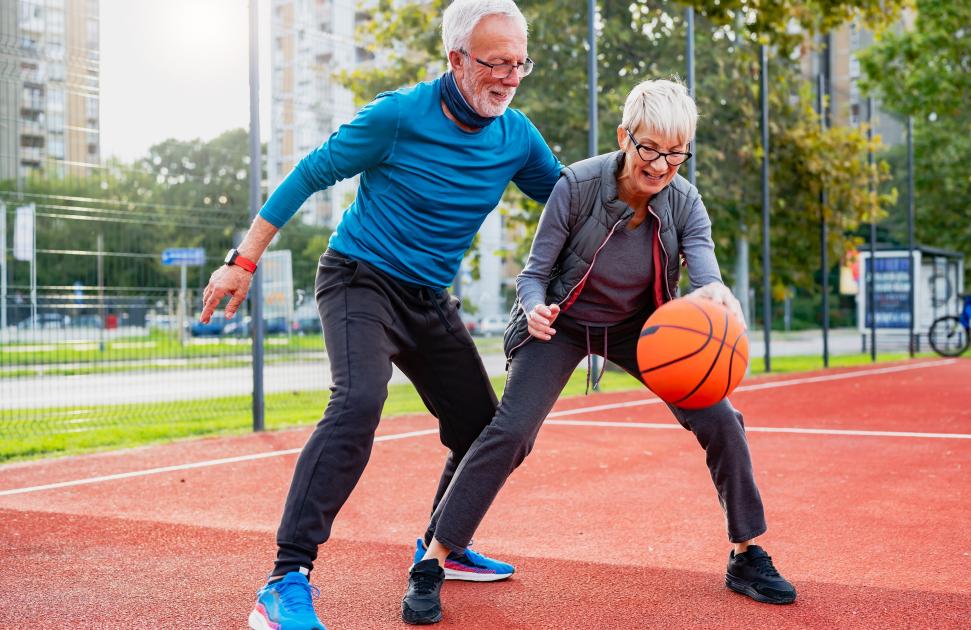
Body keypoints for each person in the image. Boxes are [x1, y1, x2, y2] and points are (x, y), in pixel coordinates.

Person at [198, 2, 562, 628]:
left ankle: (440, 544)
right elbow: (310, 172)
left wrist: (640, 195)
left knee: (487, 432)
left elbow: (567, 199)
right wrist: (243, 260)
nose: (508, 77)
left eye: (518, 64)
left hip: (427, 298)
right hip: (358, 279)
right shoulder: (397, 116)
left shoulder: (517, 136)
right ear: (456, 60)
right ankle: (284, 580)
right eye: (495, 63)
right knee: (359, 402)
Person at [402, 79, 797, 624]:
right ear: (624, 136)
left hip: (644, 329)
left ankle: (746, 553)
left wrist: (718, 300)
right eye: (650, 148)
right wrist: (537, 307)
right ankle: (433, 561)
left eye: (676, 153)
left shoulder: (685, 202)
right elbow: (534, 274)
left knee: (723, 418)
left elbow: (705, 275)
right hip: (561, 324)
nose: (661, 165)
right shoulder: (577, 185)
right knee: (510, 432)